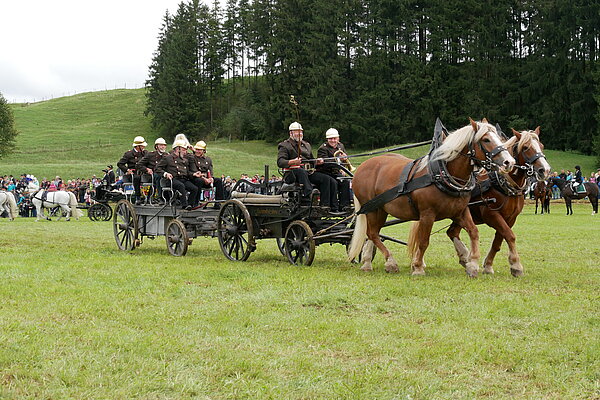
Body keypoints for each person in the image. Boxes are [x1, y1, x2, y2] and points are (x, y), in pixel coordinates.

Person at [277, 121, 340, 211]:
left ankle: (327, 206)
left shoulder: (306, 145)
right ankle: (309, 194)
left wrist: (317, 162)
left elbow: (311, 160)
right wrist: (292, 162)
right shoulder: (284, 145)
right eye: (297, 132)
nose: (300, 134)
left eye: (301, 132)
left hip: (307, 173)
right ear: (291, 133)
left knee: (327, 179)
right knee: (300, 171)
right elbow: (280, 162)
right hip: (292, 174)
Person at [155, 135, 198, 210]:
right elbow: (157, 168)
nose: (185, 151)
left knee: (194, 188)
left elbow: (187, 172)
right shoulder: (168, 158)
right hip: (172, 180)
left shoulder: (184, 160)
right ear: (178, 149)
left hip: (183, 179)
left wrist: (193, 174)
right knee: (180, 186)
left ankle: (190, 204)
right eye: (184, 149)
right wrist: (165, 174)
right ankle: (184, 205)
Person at [317, 128, 352, 210]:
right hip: (326, 172)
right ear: (327, 139)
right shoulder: (323, 149)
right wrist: (338, 159)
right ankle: (333, 206)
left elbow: (344, 158)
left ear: (338, 138)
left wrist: (343, 168)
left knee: (346, 181)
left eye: (334, 138)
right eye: (330, 139)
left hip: (337, 172)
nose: (333, 140)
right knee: (333, 182)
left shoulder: (341, 146)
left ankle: (345, 205)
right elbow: (326, 163)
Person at [187, 140, 226, 205]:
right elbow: (195, 171)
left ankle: (218, 202)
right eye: (196, 149)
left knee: (218, 181)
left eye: (200, 150)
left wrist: (211, 178)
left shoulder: (208, 159)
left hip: (206, 179)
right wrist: (205, 179)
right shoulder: (192, 158)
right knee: (199, 181)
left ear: (203, 151)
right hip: (196, 179)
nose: (198, 151)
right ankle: (196, 202)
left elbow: (210, 170)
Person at [117, 136, 148, 205]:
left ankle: (149, 197)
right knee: (137, 178)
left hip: (143, 173)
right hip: (133, 174)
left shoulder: (145, 153)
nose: (144, 147)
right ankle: (138, 197)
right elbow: (120, 164)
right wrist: (127, 170)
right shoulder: (129, 154)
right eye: (142, 146)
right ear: (138, 146)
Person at [137, 138, 168, 203]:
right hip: (150, 176)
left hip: (163, 174)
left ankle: (171, 197)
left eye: (164, 145)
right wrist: (146, 169)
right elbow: (139, 165)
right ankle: (160, 197)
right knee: (158, 176)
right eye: (161, 145)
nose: (163, 147)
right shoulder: (150, 155)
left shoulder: (167, 155)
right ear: (156, 146)